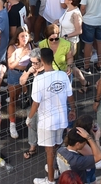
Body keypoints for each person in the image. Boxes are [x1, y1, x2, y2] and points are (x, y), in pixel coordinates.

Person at [30, 47, 75, 184]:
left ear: (42, 60)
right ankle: (54, 170)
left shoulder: (39, 79)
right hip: (61, 118)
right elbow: (70, 95)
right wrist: (73, 109)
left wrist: (29, 117)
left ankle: (50, 180)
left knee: (49, 151)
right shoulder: (62, 75)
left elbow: (35, 103)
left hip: (47, 121)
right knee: (55, 146)